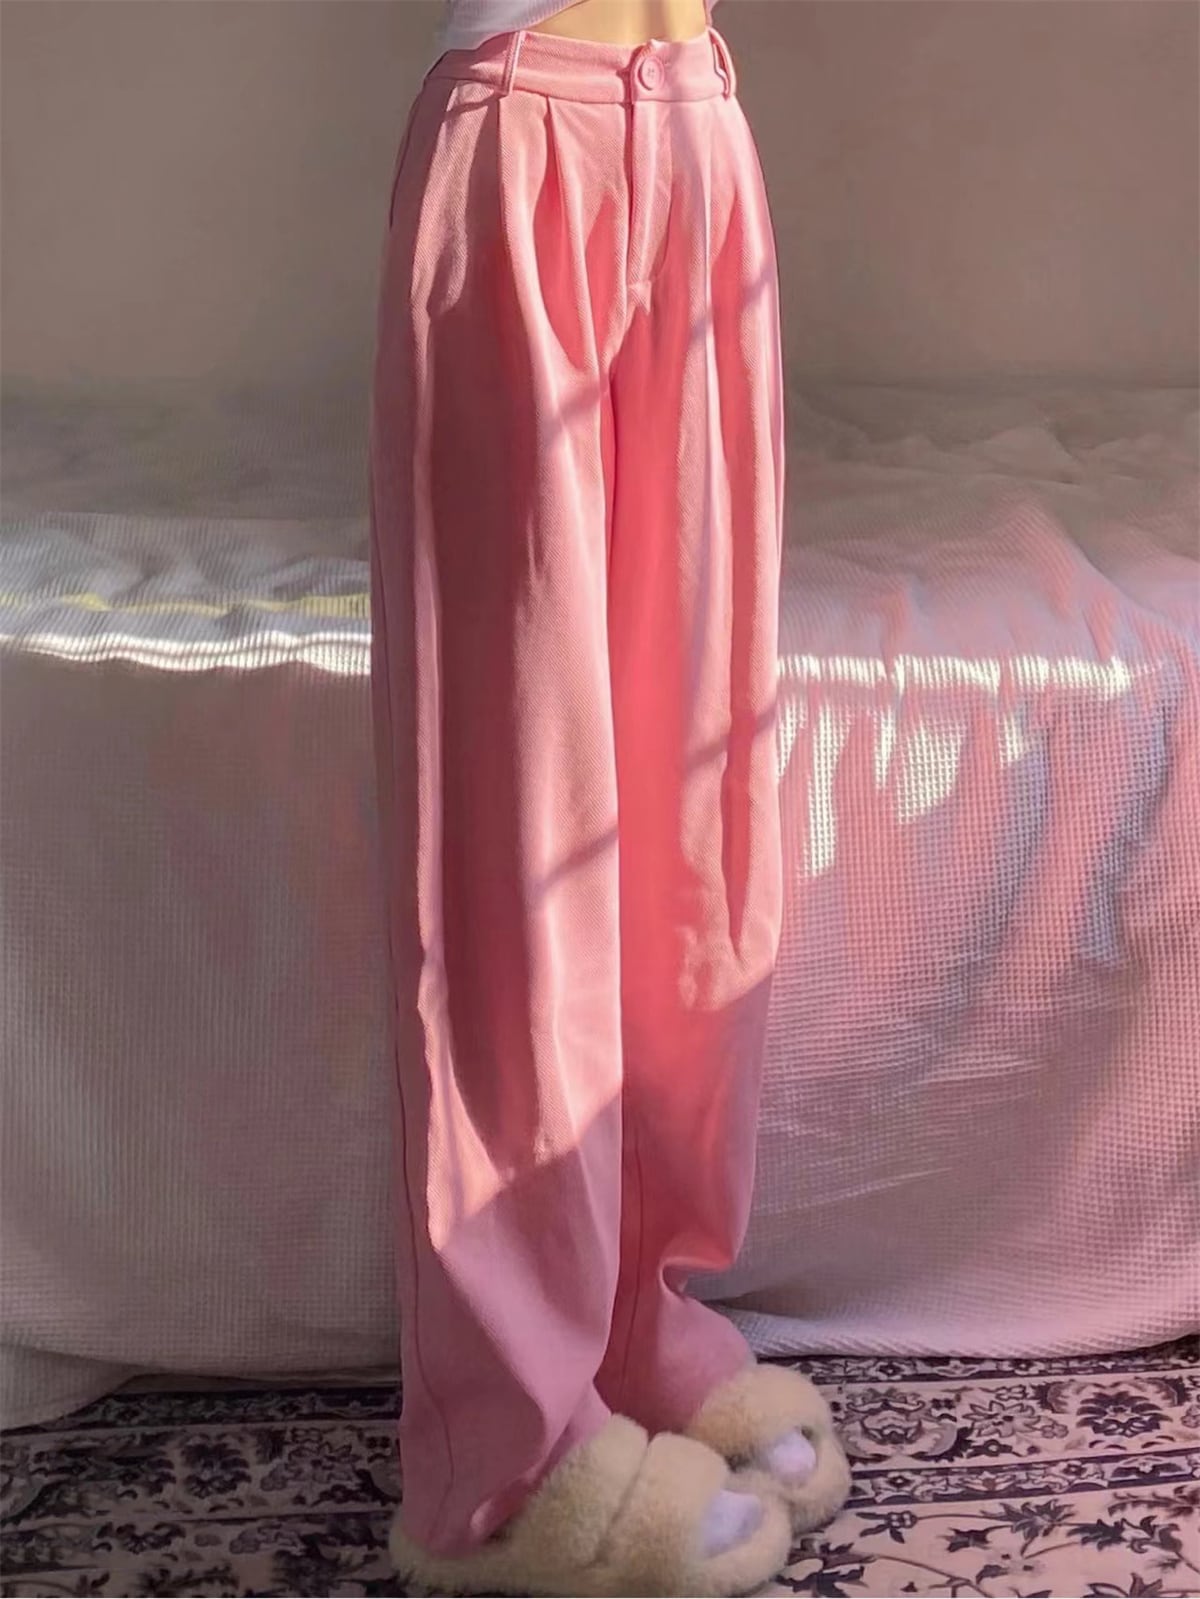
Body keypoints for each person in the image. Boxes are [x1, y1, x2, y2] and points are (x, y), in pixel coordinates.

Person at [367, 0, 852, 1591]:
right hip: (523, 136)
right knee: (520, 804)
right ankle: (501, 1463)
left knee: (695, 811)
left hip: (700, 124)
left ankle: (628, 1315)